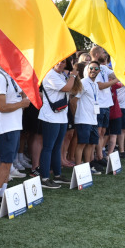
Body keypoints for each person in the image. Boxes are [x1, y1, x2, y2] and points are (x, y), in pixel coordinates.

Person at [0, 64, 30, 214]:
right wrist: (22, 103)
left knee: (7, 163)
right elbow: (2, 106)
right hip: (5, 127)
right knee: (5, 163)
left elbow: (18, 96)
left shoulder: (8, 76)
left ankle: (1, 195)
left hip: (13, 125)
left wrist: (23, 98)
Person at [38, 58, 75, 188]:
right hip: (50, 117)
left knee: (57, 147)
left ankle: (57, 175)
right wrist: (74, 75)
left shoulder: (61, 75)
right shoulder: (49, 75)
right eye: (58, 61)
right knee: (48, 147)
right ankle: (45, 177)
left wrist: (71, 76)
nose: (60, 64)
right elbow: (67, 88)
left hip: (61, 116)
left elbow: (71, 89)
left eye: (63, 62)